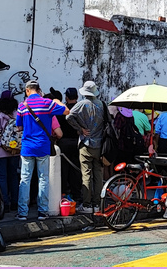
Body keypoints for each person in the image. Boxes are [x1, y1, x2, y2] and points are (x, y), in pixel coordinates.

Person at [14, 80, 67, 221]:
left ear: (27, 91)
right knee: (43, 178)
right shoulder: (47, 103)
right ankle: (42, 212)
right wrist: (56, 100)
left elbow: (19, 128)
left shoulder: (22, 106)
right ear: (38, 90)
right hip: (43, 146)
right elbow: (66, 111)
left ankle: (22, 213)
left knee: (25, 179)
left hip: (27, 147)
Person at [67, 81, 106, 214]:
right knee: (98, 175)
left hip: (86, 142)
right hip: (100, 143)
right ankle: (97, 203)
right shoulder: (101, 104)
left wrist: (80, 129)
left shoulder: (82, 104)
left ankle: (87, 204)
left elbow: (69, 116)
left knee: (86, 175)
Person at [0, 95, 21, 213]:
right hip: (15, 151)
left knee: (2, 177)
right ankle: (15, 203)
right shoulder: (18, 114)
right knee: (14, 176)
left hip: (1, 151)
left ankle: (5, 203)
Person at [56, 88, 82, 203]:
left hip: (64, 142)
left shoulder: (62, 110)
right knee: (76, 169)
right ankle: (77, 194)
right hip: (77, 141)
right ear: (77, 97)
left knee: (63, 169)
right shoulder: (80, 109)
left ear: (66, 97)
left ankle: (64, 193)